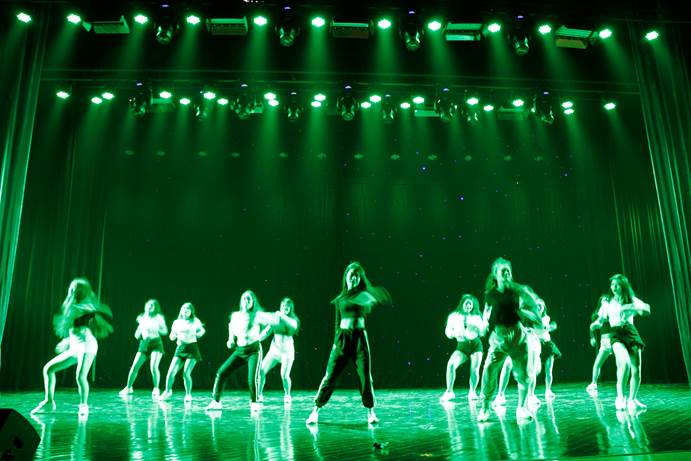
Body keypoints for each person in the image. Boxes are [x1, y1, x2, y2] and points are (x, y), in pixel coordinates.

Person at [306, 262, 392, 425]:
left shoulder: (364, 295)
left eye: (357, 276)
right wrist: (335, 343)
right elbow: (337, 323)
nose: (353, 278)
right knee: (330, 377)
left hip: (359, 340)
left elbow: (372, 299)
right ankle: (315, 411)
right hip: (342, 340)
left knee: (365, 377)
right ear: (346, 277)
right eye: (351, 275)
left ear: (360, 279)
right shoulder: (340, 299)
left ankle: (371, 412)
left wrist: (371, 296)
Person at [31, 278, 113, 416]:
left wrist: (95, 308)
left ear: (81, 291)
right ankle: (48, 402)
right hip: (75, 347)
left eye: (76, 287)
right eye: (72, 287)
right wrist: (66, 341)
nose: (73, 289)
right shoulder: (71, 306)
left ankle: (83, 406)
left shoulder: (82, 306)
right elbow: (74, 327)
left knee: (80, 376)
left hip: (87, 345)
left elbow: (89, 309)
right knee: (48, 369)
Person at [205, 291, 297, 412]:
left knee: (252, 379)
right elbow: (230, 326)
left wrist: (284, 317)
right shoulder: (235, 315)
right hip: (240, 350)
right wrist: (230, 339)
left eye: (249, 299)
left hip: (254, 351)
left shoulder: (257, 315)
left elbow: (277, 319)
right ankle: (216, 402)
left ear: (252, 302)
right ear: (241, 301)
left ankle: (254, 403)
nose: (246, 301)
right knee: (221, 373)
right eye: (245, 298)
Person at [477, 258, 544, 423]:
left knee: (524, 375)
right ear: (496, 275)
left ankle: (522, 408)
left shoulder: (517, 291)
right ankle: (485, 408)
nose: (507, 273)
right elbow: (487, 309)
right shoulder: (490, 294)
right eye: (503, 271)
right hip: (499, 337)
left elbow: (532, 305)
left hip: (518, 335)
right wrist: (484, 322)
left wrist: (531, 316)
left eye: (508, 271)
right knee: (489, 372)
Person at [590, 274, 650, 412]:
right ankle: (620, 398)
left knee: (636, 370)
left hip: (630, 332)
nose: (614, 287)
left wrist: (631, 306)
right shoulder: (607, 303)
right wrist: (594, 325)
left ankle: (632, 399)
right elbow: (601, 320)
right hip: (616, 334)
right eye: (612, 285)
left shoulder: (631, 299)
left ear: (623, 286)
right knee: (624, 363)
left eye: (617, 284)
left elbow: (646, 310)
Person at [440, 294, 486, 402]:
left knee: (474, 369)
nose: (469, 306)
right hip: (462, 346)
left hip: (475, 344)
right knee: (451, 364)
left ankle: (472, 392)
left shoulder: (476, 317)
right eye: (467, 303)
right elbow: (448, 332)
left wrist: (481, 326)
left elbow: (482, 333)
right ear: (462, 303)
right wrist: (455, 334)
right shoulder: (454, 316)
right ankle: (449, 391)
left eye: (471, 304)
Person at [119, 299, 168, 398]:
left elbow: (165, 331)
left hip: (156, 343)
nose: (149, 307)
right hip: (144, 343)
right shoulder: (142, 318)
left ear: (155, 307)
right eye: (148, 305)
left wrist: (157, 329)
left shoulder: (159, 318)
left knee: (153, 367)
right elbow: (139, 330)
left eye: (152, 305)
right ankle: (128, 387)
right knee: (134, 367)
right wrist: (137, 334)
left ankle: (156, 388)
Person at [257, 297, 300, 404]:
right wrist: (256, 339)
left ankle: (287, 395)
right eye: (283, 306)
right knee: (261, 371)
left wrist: (281, 316)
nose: (285, 308)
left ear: (291, 308)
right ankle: (259, 394)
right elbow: (266, 332)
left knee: (284, 376)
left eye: (287, 307)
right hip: (274, 351)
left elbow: (294, 326)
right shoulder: (275, 319)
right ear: (280, 307)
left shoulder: (293, 320)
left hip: (287, 353)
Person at [160, 302, 205, 402]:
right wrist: (172, 336)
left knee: (186, 373)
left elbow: (202, 330)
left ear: (191, 311)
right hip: (180, 348)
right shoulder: (176, 322)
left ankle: (188, 394)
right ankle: (167, 391)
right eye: (184, 308)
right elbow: (172, 334)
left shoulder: (195, 321)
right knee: (171, 372)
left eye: (188, 309)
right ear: (181, 310)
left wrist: (199, 333)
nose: (186, 310)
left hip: (192, 349)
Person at [586, 298, 614, 394]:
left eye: (607, 299)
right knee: (597, 364)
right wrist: (592, 337)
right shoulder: (597, 314)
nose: (605, 301)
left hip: (614, 341)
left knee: (621, 363)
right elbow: (592, 326)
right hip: (604, 342)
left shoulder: (612, 311)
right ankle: (593, 383)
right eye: (603, 300)